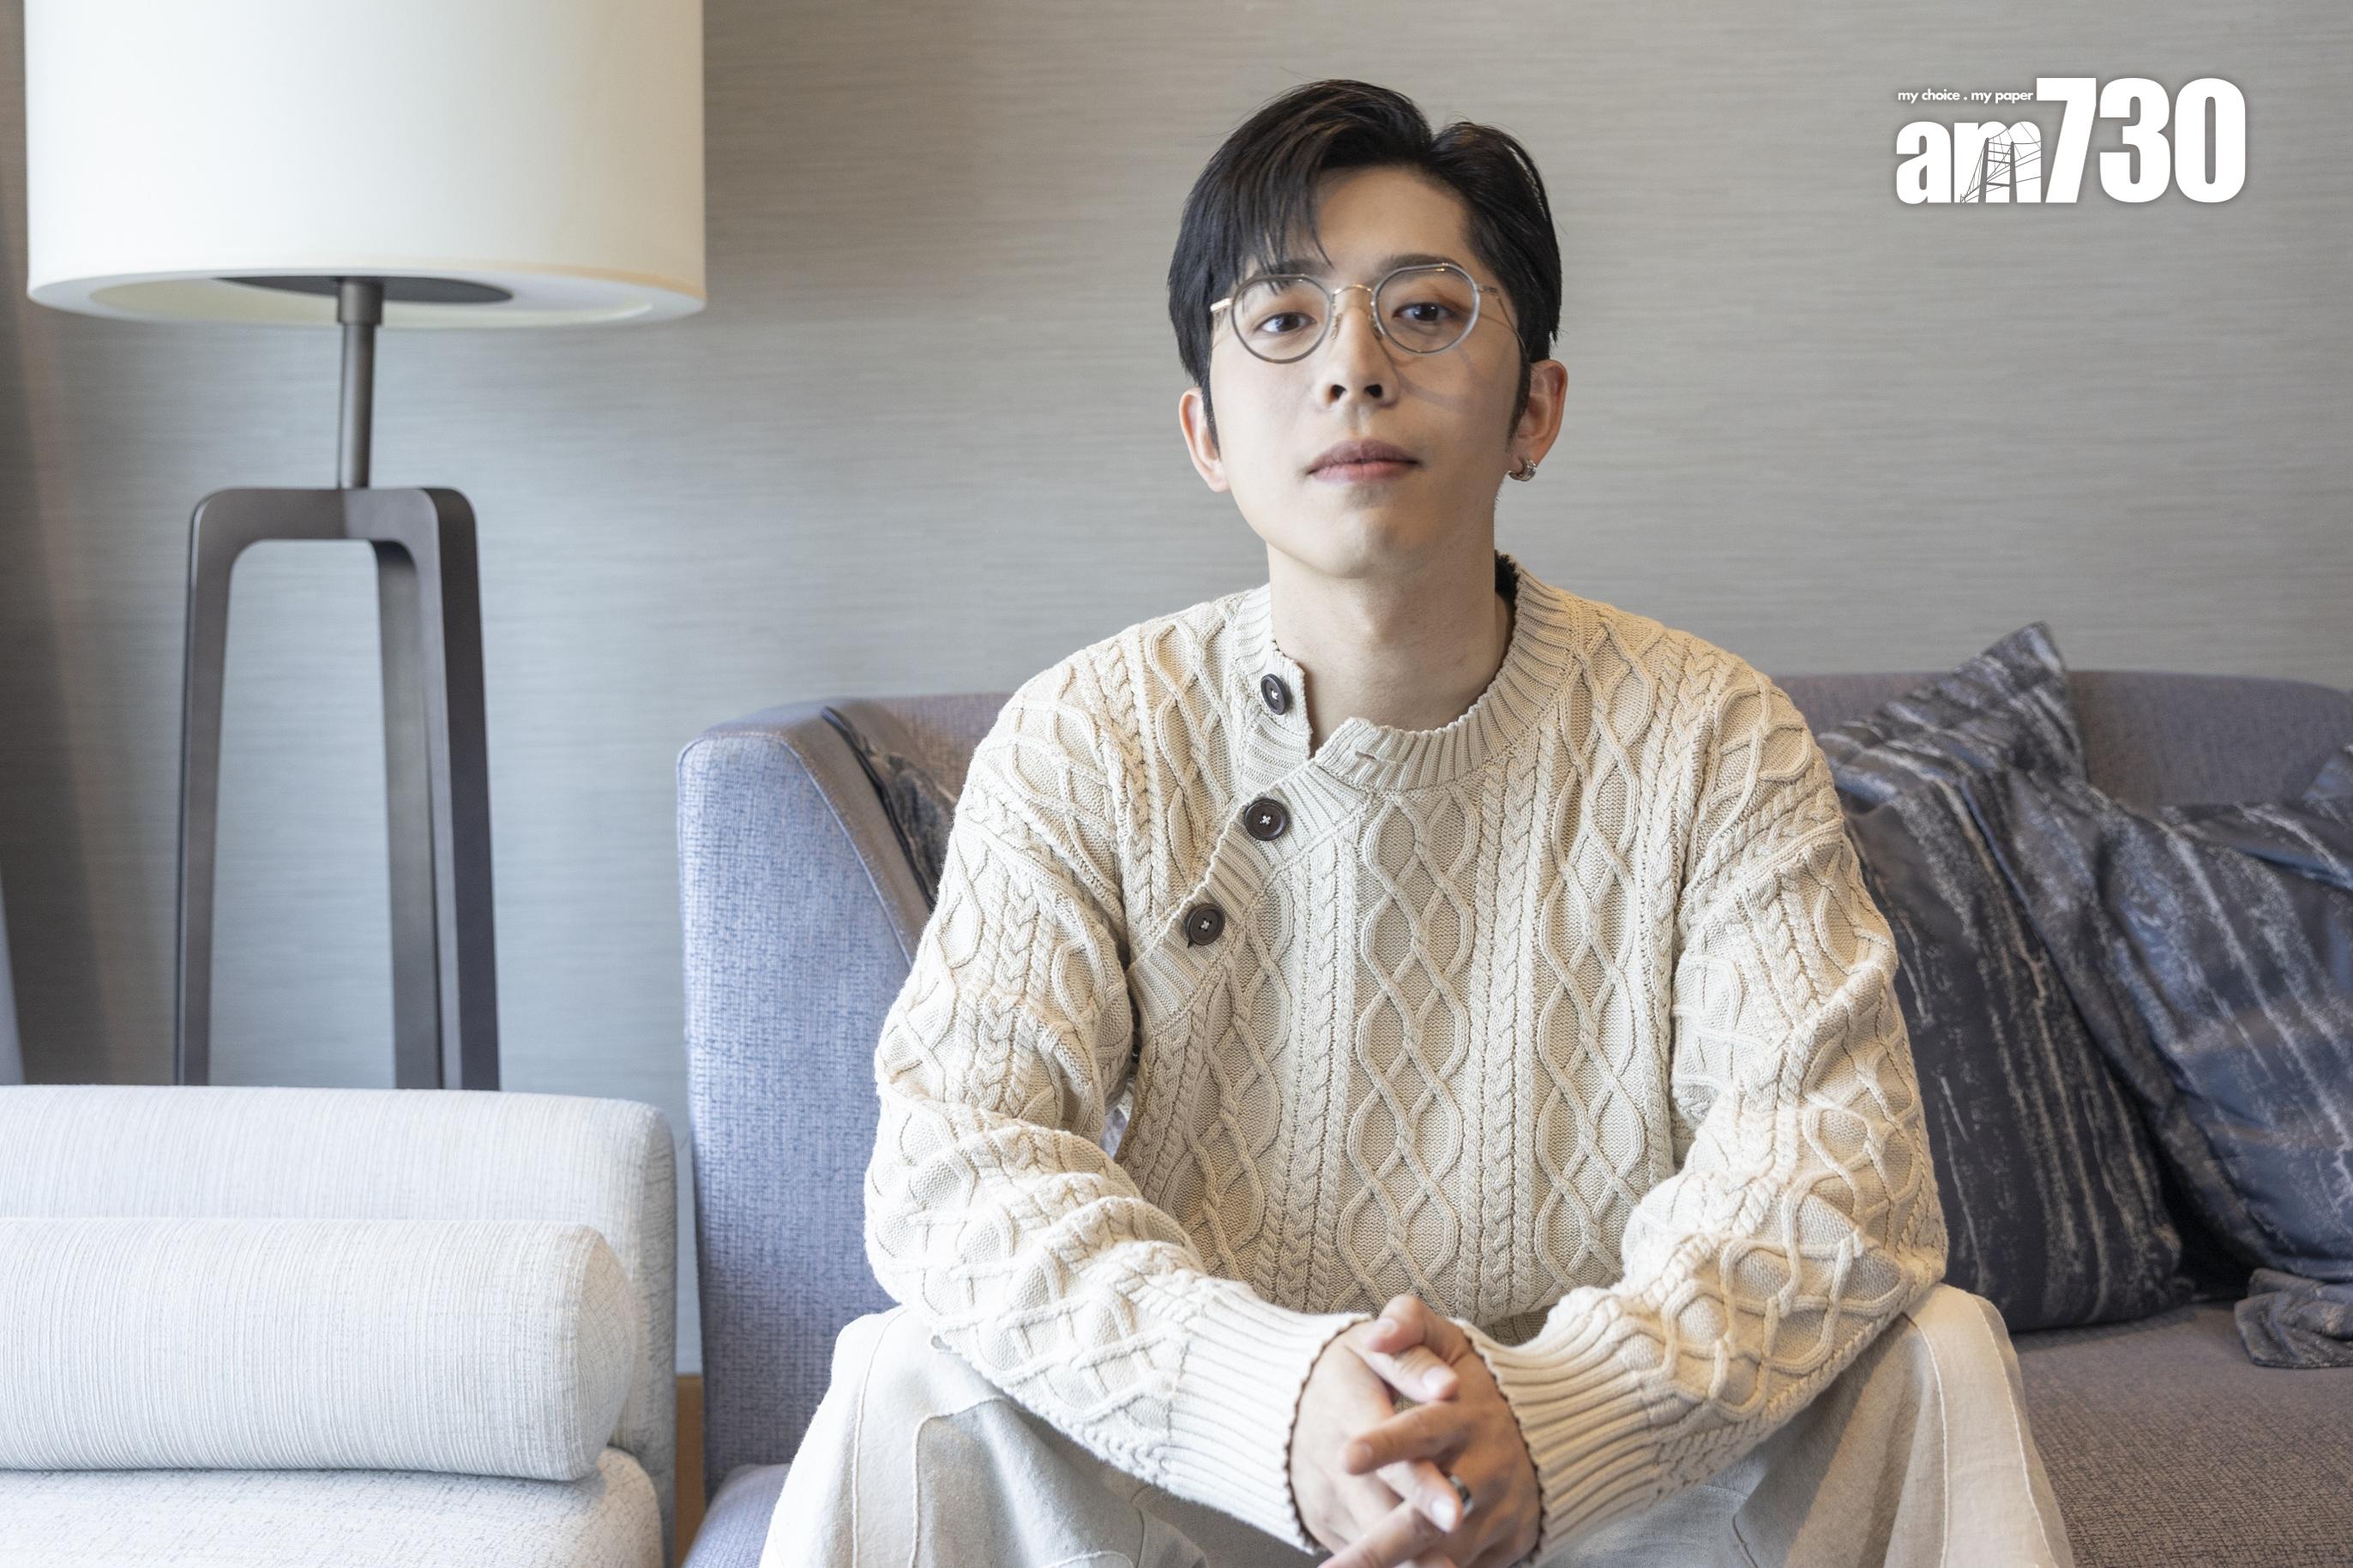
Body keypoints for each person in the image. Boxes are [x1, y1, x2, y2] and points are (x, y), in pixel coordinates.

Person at [760, 78, 2073, 1568]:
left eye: (1427, 312)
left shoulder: (1714, 735)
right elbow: (955, 1163)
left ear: (1536, 410)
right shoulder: (1085, 738)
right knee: (904, 1375)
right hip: (1208, 1467)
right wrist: (1277, 1403)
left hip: (1610, 1483)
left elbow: (1840, 1173)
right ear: (1205, 430)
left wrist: (1556, 1419)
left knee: (1938, 1352)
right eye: (1284, 318)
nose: (1354, 368)